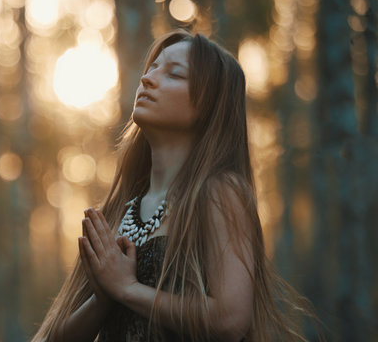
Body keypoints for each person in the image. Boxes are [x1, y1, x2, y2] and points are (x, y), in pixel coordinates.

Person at [32, 30, 322, 341]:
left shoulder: (219, 192)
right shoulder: (118, 208)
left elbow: (230, 319)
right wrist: (104, 299)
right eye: (152, 68)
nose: (148, 79)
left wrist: (128, 289)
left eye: (174, 74)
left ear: (209, 104)